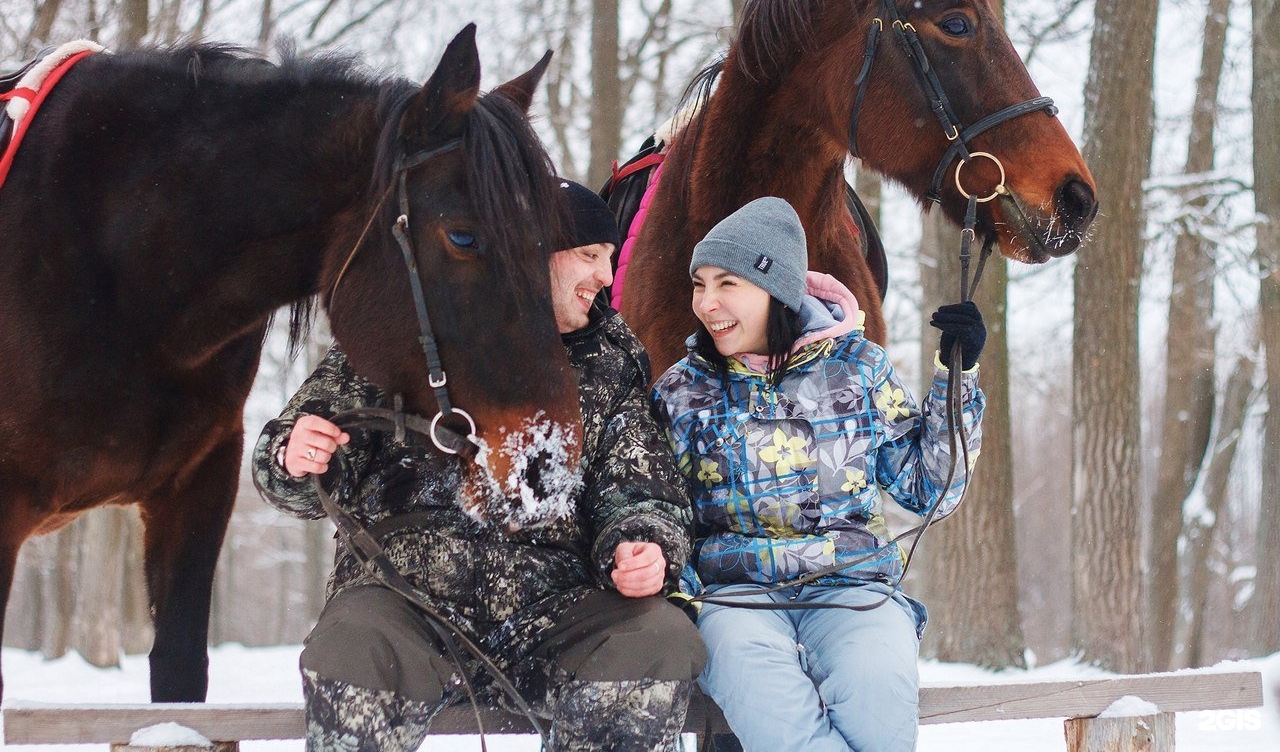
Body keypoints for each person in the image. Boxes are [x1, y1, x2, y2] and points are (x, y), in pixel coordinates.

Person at [253, 180, 705, 752]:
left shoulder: (611, 363)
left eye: (610, 260)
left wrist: (642, 543)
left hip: (557, 612)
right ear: (531, 249)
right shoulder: (402, 334)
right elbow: (294, 467)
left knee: (656, 636)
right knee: (354, 643)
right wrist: (296, 456)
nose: (606, 277)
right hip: (407, 602)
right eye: (590, 255)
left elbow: (643, 488)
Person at [650, 197, 986, 752]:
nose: (706, 304)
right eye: (699, 284)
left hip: (850, 585)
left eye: (727, 283)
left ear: (776, 288)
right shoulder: (685, 389)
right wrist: (683, 592)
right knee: (769, 701)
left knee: (877, 688)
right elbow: (661, 512)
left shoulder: (858, 369)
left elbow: (930, 491)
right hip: (737, 598)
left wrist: (958, 378)